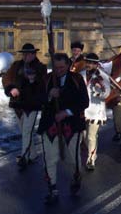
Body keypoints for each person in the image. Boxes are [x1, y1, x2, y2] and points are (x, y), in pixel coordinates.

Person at [37, 53, 89, 204]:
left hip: (71, 125)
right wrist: (49, 95)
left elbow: (84, 102)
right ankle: (52, 188)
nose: (58, 70)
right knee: (50, 158)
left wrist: (66, 112)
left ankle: (76, 177)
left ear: (68, 65)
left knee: (72, 158)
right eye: (56, 67)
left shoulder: (76, 79)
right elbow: (38, 100)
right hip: (50, 125)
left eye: (61, 67)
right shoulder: (47, 80)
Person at [2, 43, 47, 170]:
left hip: (32, 104)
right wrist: (11, 88)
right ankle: (32, 154)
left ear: (34, 54)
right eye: (24, 54)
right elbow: (6, 78)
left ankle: (24, 157)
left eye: (29, 54)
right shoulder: (16, 65)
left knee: (27, 130)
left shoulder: (41, 67)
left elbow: (43, 85)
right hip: (17, 104)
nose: (26, 56)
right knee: (24, 131)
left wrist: (34, 81)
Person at [80, 53, 111, 170]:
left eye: (91, 63)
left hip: (96, 110)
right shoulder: (81, 75)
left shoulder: (102, 76)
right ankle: (93, 152)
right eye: (87, 62)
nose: (88, 64)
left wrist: (99, 92)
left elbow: (107, 93)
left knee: (91, 136)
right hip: (83, 110)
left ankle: (91, 159)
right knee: (85, 136)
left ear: (96, 64)